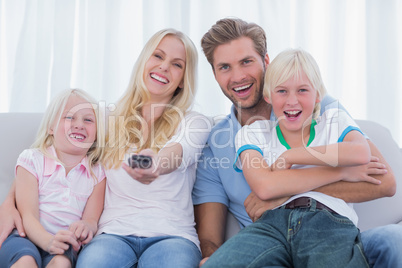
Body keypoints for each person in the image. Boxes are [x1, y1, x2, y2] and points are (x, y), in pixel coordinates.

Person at [192, 18, 402, 267]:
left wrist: (285, 195)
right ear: (214, 74)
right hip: (269, 239)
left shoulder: (316, 107)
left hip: (329, 226)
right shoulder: (220, 140)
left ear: (265, 62)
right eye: (224, 67)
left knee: (392, 240)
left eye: (246, 62)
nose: (238, 76)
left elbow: (384, 181)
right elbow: (210, 236)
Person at [75, 29, 210, 267]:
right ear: (144, 61)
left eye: (177, 64)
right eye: (158, 56)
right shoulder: (106, 118)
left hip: (173, 238)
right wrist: (12, 204)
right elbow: (53, 153)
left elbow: (178, 152)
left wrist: (156, 163)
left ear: (183, 80)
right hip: (112, 235)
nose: (164, 67)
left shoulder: (194, 122)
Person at [0, 88, 106, 268]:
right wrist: (48, 241)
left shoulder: (97, 173)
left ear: (97, 133)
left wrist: (86, 227)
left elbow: (91, 220)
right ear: (51, 127)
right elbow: (28, 216)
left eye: (88, 120)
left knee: (62, 263)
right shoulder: (32, 159)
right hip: (24, 236)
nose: (79, 124)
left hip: (64, 244)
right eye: (69, 117)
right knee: (26, 261)